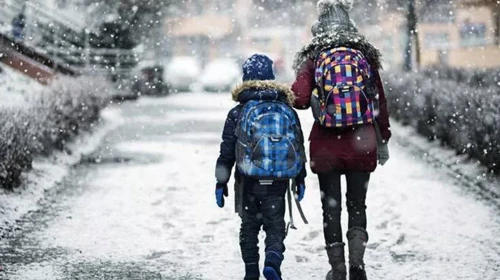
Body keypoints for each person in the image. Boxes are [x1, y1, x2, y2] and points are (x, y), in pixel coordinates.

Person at [291, 1, 391, 280]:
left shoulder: (314, 56)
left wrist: (312, 95)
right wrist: (384, 138)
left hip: (326, 147)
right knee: (357, 204)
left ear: (320, 24)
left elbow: (298, 98)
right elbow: (379, 102)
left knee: (330, 208)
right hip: (363, 142)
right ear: (350, 22)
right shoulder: (364, 55)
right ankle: (358, 265)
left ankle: (337, 270)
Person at [215, 54, 307, 280]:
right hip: (278, 181)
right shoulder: (285, 108)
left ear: (245, 78)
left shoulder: (238, 112)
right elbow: (298, 145)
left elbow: (227, 150)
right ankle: (273, 260)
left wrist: (221, 181)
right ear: (272, 77)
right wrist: (300, 177)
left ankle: (251, 273)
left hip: (248, 181)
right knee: (275, 226)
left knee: (249, 228)